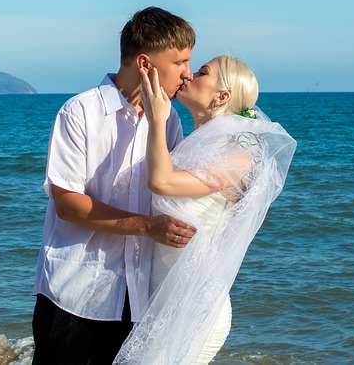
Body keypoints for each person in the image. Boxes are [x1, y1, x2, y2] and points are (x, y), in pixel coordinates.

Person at [32, 7, 199, 364]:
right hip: (75, 292)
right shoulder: (80, 112)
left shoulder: (169, 122)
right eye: (180, 62)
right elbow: (68, 204)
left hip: (137, 296)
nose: (188, 73)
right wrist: (147, 226)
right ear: (145, 64)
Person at [114, 56, 297, 364]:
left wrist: (157, 119)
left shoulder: (239, 154)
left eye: (202, 73)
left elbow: (162, 182)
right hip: (163, 297)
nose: (189, 75)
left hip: (196, 304)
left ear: (221, 97)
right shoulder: (194, 144)